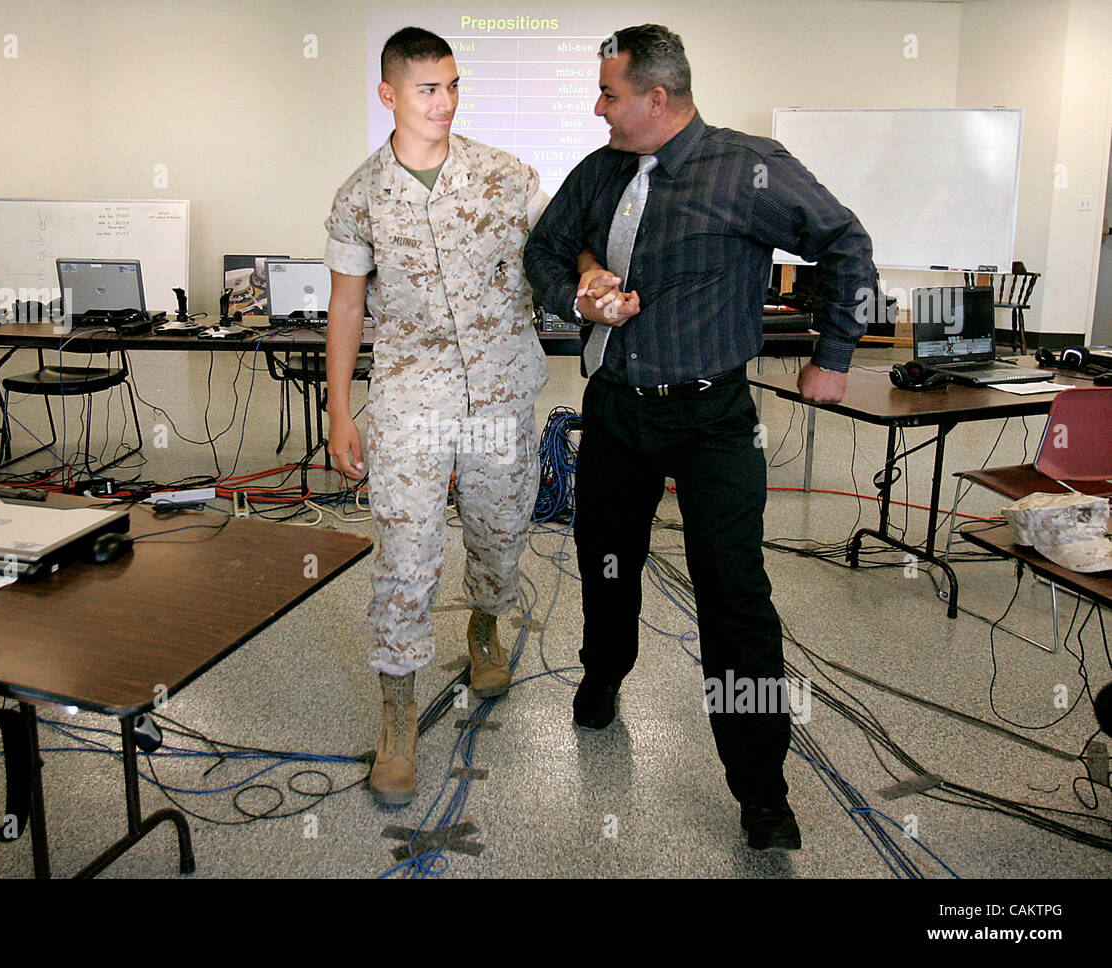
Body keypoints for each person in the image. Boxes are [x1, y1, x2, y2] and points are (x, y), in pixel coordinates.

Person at [524, 23, 875, 850]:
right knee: (605, 563)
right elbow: (543, 247)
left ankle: (761, 793)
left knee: (735, 599)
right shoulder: (603, 169)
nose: (597, 107)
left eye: (609, 93)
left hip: (712, 418)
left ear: (657, 96)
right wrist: (582, 288)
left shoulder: (747, 167)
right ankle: (602, 676)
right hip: (614, 410)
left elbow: (844, 243)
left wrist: (835, 354)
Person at [324, 27, 549, 804]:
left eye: (453, 85)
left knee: (498, 530)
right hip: (412, 399)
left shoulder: (505, 176)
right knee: (407, 550)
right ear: (388, 94)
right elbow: (347, 304)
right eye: (428, 88)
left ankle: (485, 624)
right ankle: (397, 713)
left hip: (499, 392)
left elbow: (558, 257)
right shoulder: (361, 196)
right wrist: (339, 408)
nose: (445, 101)